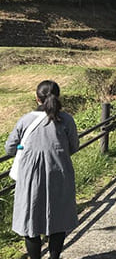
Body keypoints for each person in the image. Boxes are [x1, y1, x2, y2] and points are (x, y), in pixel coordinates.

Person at [5, 80, 79, 259]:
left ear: (36, 97)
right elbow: (74, 146)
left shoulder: (26, 120)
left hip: (31, 176)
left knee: (31, 219)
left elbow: (9, 148)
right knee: (58, 219)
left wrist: (27, 150)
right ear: (57, 97)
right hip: (60, 173)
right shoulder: (66, 119)